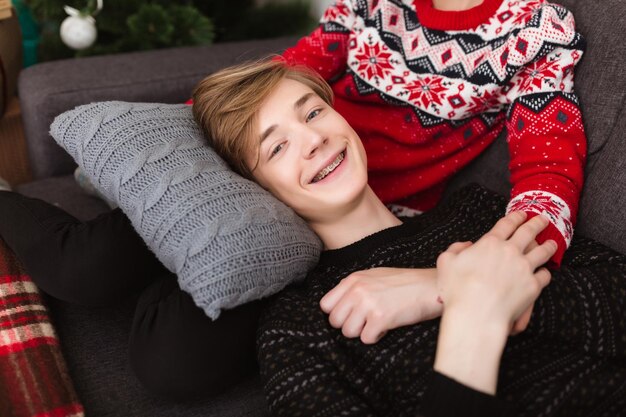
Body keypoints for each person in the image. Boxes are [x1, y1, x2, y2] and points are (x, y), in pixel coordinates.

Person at [192, 58, 626, 416]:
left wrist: (441, 287)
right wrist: (473, 315)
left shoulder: (473, 211)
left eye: (312, 112)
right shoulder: (298, 328)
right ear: (254, 190)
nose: (314, 138)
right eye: (276, 148)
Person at [278, 0, 588, 266]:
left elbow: (548, 168)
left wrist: (504, 266)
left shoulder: (535, 30)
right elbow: (283, 77)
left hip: (387, 222)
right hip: (291, 173)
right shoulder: (370, 5)